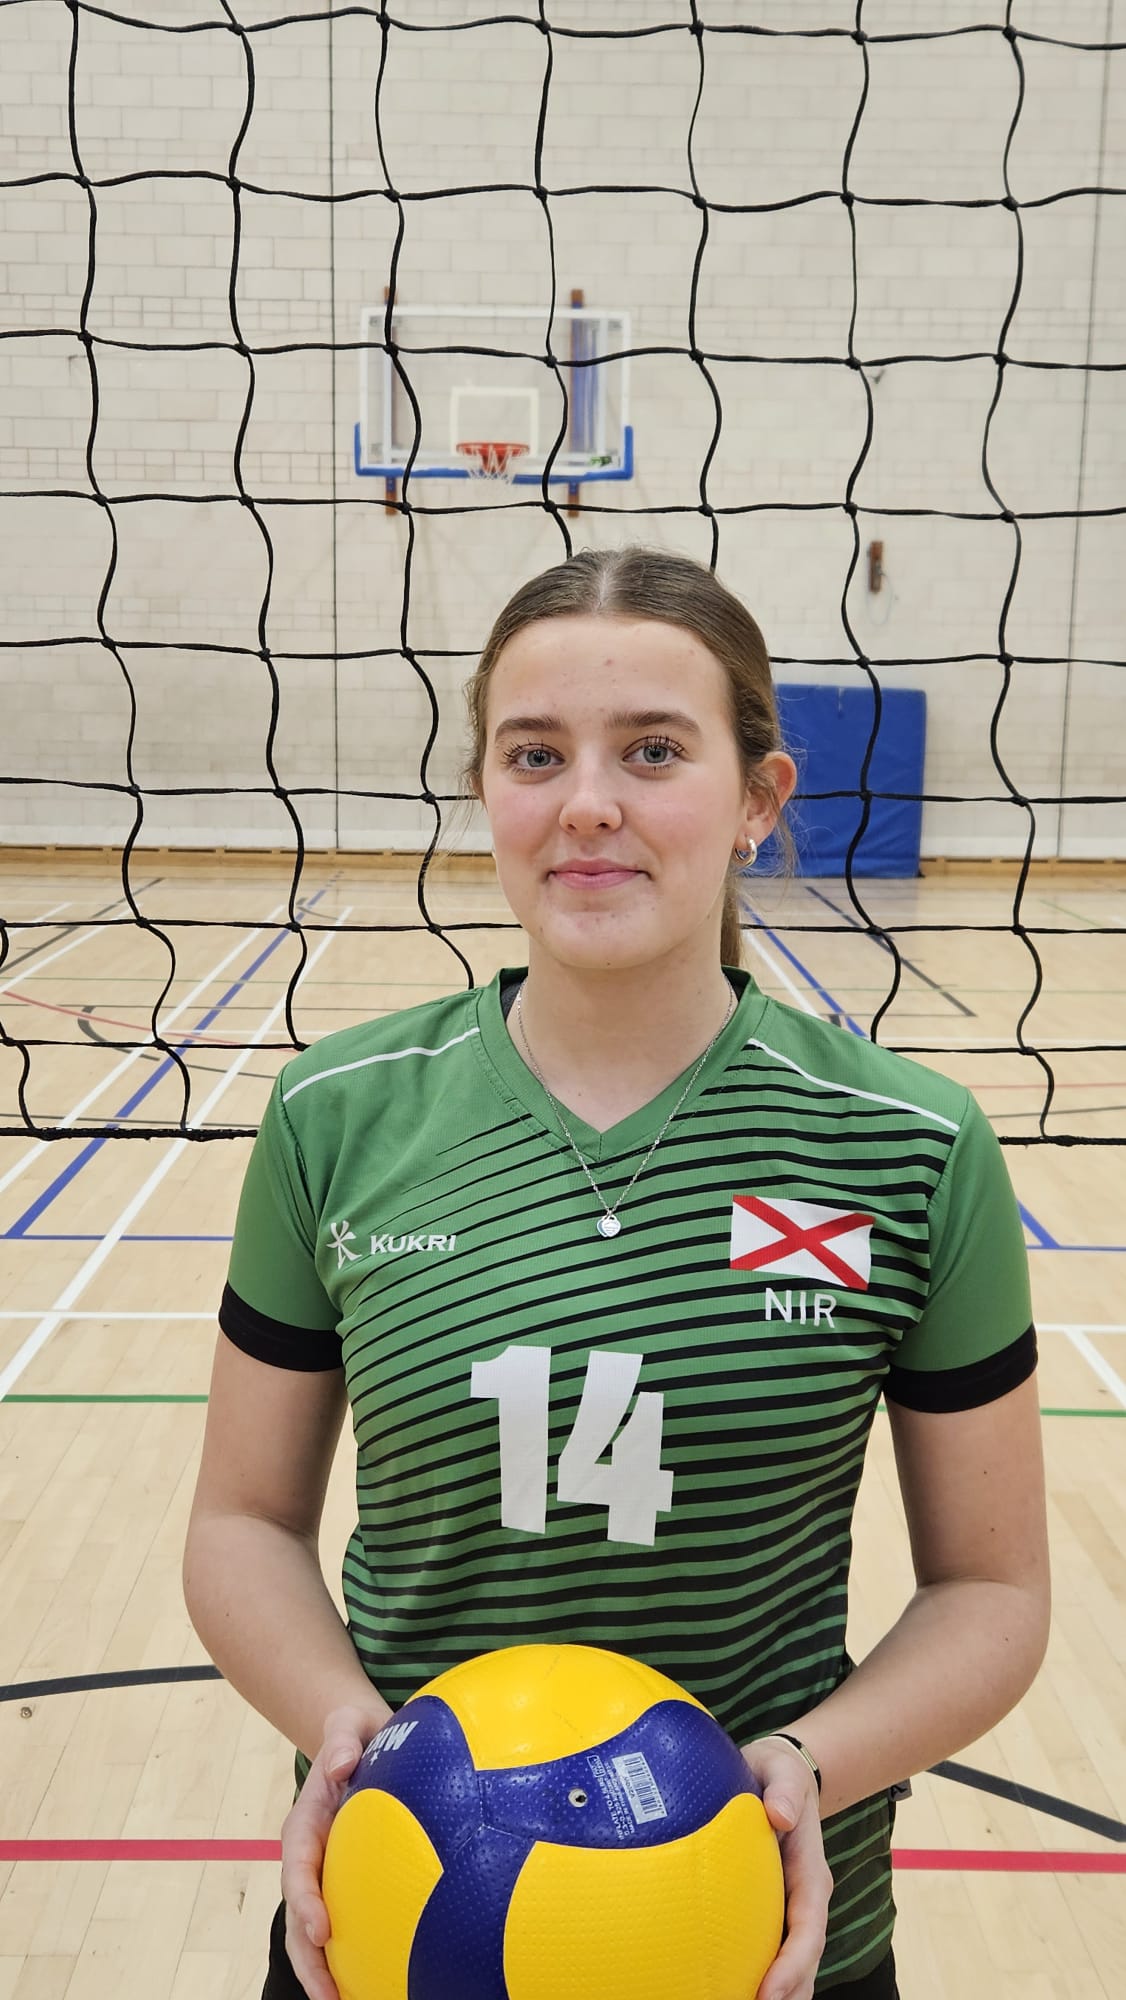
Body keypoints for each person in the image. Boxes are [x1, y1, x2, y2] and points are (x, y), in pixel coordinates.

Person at [183, 546, 1050, 2000]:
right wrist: (348, 1734)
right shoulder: (336, 1115)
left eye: (652, 751)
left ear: (759, 799)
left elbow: (993, 1588)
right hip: (400, 1921)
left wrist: (805, 1765)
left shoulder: (909, 1143)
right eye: (536, 754)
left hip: (763, 1940)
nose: (587, 801)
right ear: (486, 790)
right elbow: (241, 1521)